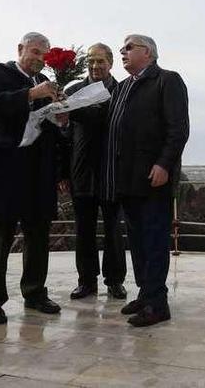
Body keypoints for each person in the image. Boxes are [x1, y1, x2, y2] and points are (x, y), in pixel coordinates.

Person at [0, 32, 66, 324]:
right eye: (34, 52)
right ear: (20, 49)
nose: (38, 59)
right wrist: (30, 95)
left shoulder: (45, 84)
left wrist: (60, 116)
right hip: (3, 168)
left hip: (37, 171)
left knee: (38, 234)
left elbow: (49, 126)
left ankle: (35, 292)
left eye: (43, 55)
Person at [104, 34, 189, 327]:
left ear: (148, 53)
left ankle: (157, 302)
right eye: (122, 49)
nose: (123, 52)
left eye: (129, 48)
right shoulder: (122, 87)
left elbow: (178, 129)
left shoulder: (167, 80)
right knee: (137, 241)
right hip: (125, 179)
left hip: (153, 176)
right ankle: (145, 292)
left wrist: (164, 164)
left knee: (154, 240)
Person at [64, 43, 127, 301]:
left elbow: (111, 123)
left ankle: (115, 281)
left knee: (113, 229)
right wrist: (62, 173)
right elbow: (64, 137)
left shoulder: (122, 91)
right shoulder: (73, 91)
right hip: (81, 170)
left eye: (100, 61)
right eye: (91, 61)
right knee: (84, 230)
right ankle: (86, 282)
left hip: (112, 171)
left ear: (111, 62)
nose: (95, 66)